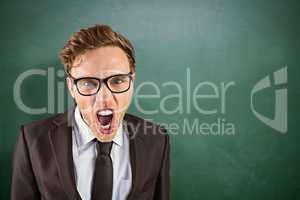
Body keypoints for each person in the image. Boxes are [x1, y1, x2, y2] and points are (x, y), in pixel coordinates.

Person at [11, 24, 170, 200]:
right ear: (71, 87)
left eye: (117, 81)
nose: (104, 99)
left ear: (132, 81)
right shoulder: (32, 139)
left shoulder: (157, 139)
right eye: (88, 83)